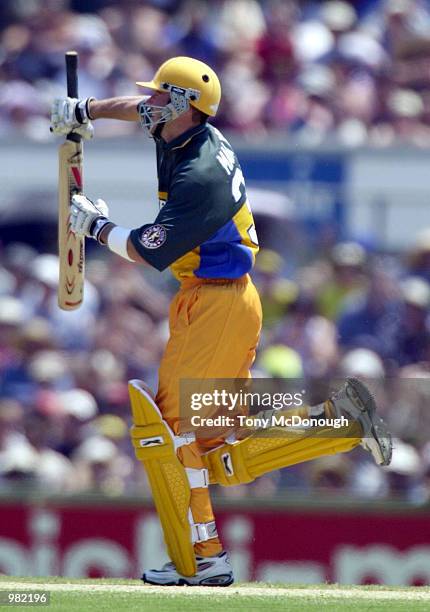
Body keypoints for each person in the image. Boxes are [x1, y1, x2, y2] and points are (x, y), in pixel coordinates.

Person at [51, 56, 392, 587]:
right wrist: (84, 109)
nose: (151, 105)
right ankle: (338, 422)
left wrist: (96, 226)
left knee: (172, 433)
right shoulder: (185, 131)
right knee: (214, 453)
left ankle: (203, 557)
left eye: (162, 98)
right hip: (218, 300)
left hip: (217, 303)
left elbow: (149, 250)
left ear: (185, 106)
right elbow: (139, 107)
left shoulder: (200, 175)